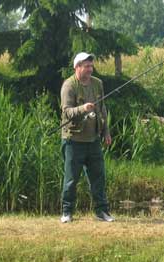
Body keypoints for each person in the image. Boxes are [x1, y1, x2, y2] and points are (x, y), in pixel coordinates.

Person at [59, 52, 114, 223]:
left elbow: (103, 108)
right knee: (71, 180)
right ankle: (67, 212)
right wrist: (83, 109)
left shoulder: (98, 84)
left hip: (93, 140)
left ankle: (102, 212)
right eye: (86, 66)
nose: (90, 69)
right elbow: (66, 112)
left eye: (91, 66)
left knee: (98, 178)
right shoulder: (69, 85)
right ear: (77, 67)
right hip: (73, 141)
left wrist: (106, 131)